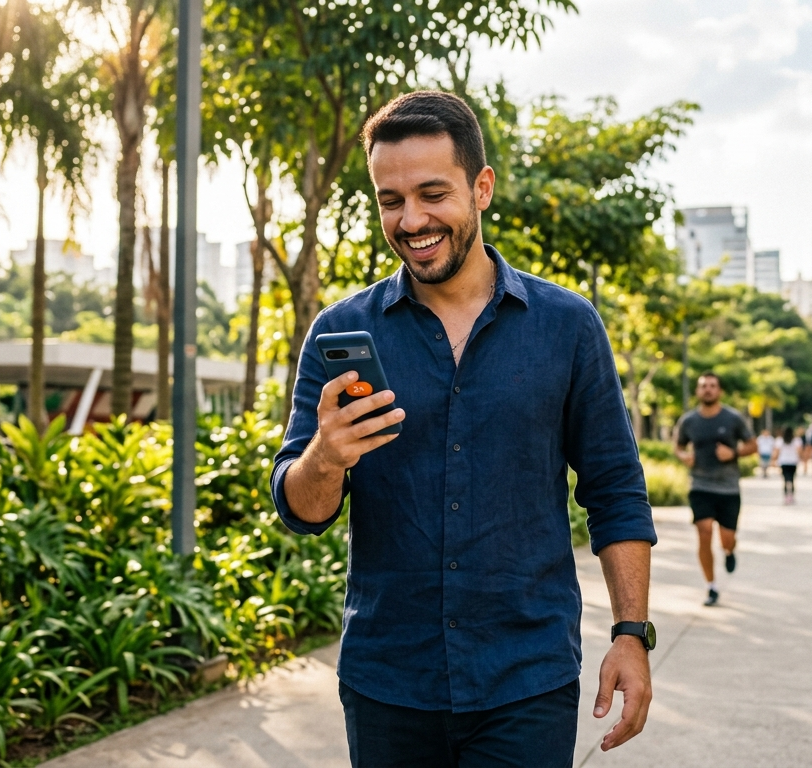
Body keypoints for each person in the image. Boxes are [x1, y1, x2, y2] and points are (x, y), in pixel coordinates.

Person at [271, 91, 657, 767]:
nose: (411, 219)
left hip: (526, 681)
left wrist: (632, 633)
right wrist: (325, 459)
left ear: (482, 188)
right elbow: (301, 512)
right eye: (391, 200)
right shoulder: (338, 334)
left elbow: (615, 489)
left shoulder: (567, 326)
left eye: (432, 193)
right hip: (388, 682)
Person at [674, 373, 757, 607]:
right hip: (700, 485)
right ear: (698, 392)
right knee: (704, 531)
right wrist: (684, 456)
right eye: (703, 386)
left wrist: (734, 453)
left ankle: (729, 551)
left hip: (728, 488)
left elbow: (753, 445)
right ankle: (711, 586)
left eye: (712, 386)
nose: (707, 390)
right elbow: (678, 446)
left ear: (719, 391)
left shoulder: (733, 418)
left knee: (726, 539)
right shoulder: (689, 421)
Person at [773, 426, 802, 504]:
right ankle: (791, 496)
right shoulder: (796, 440)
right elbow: (799, 451)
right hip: (793, 462)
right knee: (792, 480)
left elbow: (776, 452)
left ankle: (786, 497)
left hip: (783, 462)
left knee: (785, 480)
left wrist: (773, 461)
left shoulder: (779, 440)